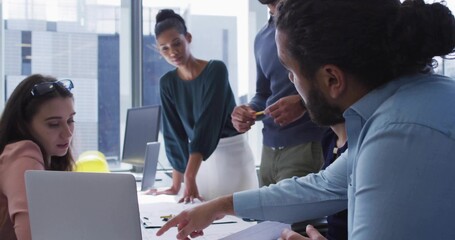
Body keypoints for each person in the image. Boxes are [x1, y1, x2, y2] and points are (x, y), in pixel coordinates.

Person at [157, 0, 455, 239]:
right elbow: (325, 186)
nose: (289, 83)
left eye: (291, 72)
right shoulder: (399, 107)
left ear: (331, 78)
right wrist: (221, 206)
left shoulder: (399, 135)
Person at [149, 9, 258, 203]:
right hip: (199, 164)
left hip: (230, 156)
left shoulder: (215, 70)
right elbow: (174, 135)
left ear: (188, 38)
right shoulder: (167, 83)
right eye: (164, 48)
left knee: (237, 223)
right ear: (159, 51)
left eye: (177, 43)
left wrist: (189, 176)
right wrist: (177, 184)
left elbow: (207, 125)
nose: (172, 52)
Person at [231, 0, 325, 187]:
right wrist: (248, 110)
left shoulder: (314, 22)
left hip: (306, 147)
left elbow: (340, 81)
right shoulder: (262, 37)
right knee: (268, 217)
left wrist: (301, 104)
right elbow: (263, 93)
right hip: (267, 152)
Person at [0, 74, 75, 240]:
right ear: (23, 124)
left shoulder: (45, 155)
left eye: (70, 120)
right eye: (53, 124)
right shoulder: (22, 154)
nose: (67, 133)